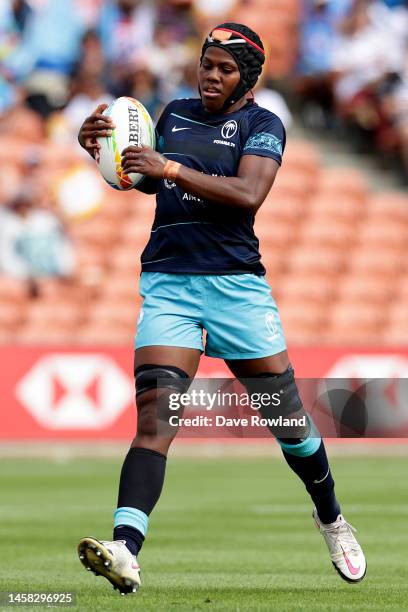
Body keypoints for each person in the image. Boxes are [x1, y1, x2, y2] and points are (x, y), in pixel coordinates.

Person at [76, 23, 366, 595]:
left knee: (290, 426)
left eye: (224, 69)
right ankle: (125, 549)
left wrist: (171, 169)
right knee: (155, 424)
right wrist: (102, 150)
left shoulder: (263, 125)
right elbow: (141, 177)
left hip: (236, 289)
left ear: (247, 78)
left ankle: (330, 516)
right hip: (169, 285)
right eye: (206, 65)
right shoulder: (175, 112)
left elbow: (247, 194)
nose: (210, 76)